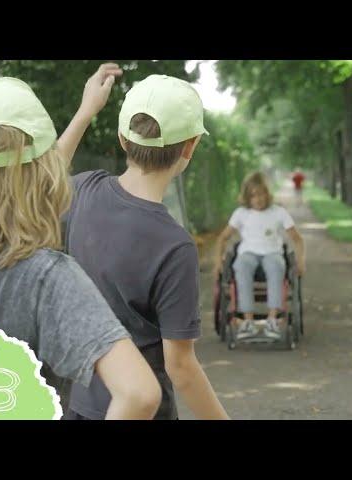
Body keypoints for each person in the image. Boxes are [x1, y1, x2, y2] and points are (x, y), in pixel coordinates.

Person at [0, 66, 162, 420]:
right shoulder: (51, 280)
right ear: (48, 175)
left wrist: (86, 111)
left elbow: (14, 172)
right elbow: (139, 394)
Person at [61, 74, 229, 420]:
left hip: (79, 406)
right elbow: (180, 367)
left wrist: (85, 111)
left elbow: (38, 182)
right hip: (144, 411)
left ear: (123, 139)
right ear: (190, 147)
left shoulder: (83, 191)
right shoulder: (174, 246)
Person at [214, 171, 306, 340]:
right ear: (247, 197)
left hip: (272, 253)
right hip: (248, 253)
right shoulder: (241, 213)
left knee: (276, 265)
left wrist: (300, 262)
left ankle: (272, 320)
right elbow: (223, 238)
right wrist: (218, 262)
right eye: (253, 195)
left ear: (267, 194)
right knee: (240, 265)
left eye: (262, 194)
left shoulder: (278, 212)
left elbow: (297, 239)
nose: (258, 199)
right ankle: (247, 321)